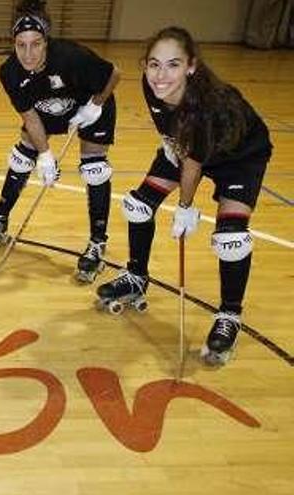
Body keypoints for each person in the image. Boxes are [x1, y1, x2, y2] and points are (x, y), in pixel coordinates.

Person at [96, 26, 272, 366]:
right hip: (185, 146)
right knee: (137, 207)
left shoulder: (208, 106)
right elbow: (179, 144)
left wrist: (185, 208)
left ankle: (230, 315)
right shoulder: (153, 87)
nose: (161, 76)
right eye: (154, 64)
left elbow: (194, 164)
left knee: (230, 239)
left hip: (239, 156)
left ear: (191, 66)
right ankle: (136, 275)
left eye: (173, 65)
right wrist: (170, 150)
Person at [0, 0, 121, 283]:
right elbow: (30, 118)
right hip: (46, 110)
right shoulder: (10, 73)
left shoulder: (72, 57)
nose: (28, 53)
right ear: (13, 44)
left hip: (91, 105)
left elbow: (114, 73)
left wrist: (95, 105)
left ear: (46, 41)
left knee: (94, 170)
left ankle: (97, 242)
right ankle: (0, 217)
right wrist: (45, 155)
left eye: (36, 44)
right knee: (21, 157)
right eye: (21, 45)